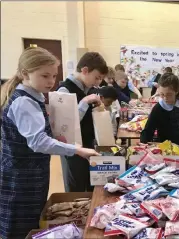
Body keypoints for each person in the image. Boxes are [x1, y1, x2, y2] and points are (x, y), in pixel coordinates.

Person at [0, 47, 100, 239]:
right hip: (21, 175)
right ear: (24, 74)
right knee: (20, 223)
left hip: (31, 171)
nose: (51, 81)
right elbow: (38, 141)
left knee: (33, 217)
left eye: (54, 76)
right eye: (44, 76)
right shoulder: (24, 102)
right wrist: (77, 150)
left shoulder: (34, 96)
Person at [57, 52, 108, 193]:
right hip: (73, 151)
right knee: (76, 189)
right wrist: (84, 103)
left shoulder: (89, 89)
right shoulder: (64, 90)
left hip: (89, 145)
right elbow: (64, 127)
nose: (98, 83)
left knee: (91, 185)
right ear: (85, 71)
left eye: (101, 79)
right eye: (96, 78)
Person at [141, 73, 179, 146]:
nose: (165, 98)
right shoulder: (158, 108)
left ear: (176, 91)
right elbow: (148, 130)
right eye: (162, 94)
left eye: (169, 94)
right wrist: (143, 144)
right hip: (166, 148)